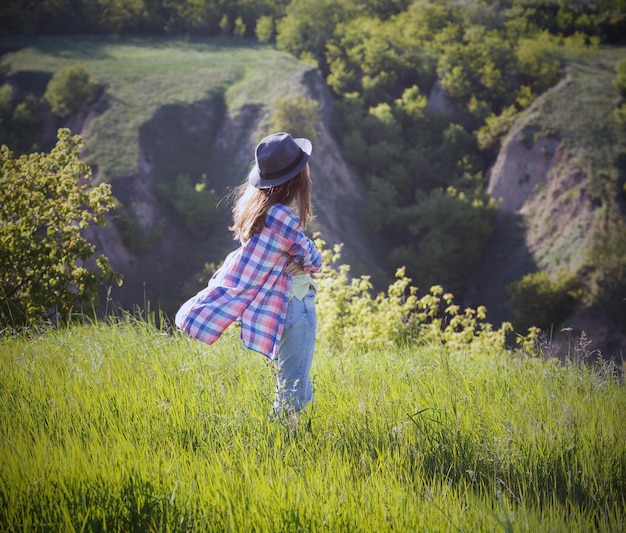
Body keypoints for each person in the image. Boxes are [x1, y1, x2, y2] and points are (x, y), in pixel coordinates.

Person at [175, 132, 322, 419]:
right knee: (292, 389)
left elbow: (283, 253)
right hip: (296, 304)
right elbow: (314, 259)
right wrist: (300, 259)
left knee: (298, 384)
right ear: (296, 178)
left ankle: (303, 441)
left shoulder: (256, 211)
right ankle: (285, 448)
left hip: (280, 307)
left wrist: (294, 256)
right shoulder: (283, 217)